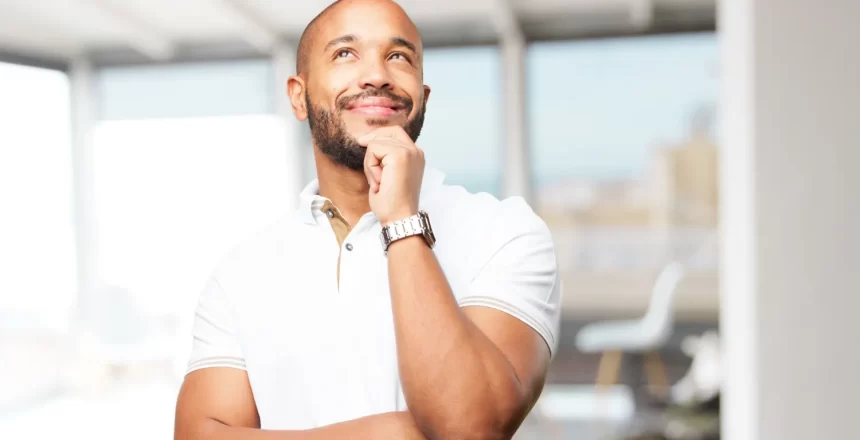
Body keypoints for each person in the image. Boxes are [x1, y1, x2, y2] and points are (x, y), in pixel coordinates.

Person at [174, 0, 562, 438]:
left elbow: (469, 428)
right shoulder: (241, 270)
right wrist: (393, 433)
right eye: (345, 54)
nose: (377, 75)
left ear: (423, 98)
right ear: (298, 98)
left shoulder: (507, 234)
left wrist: (401, 218)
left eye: (398, 57)